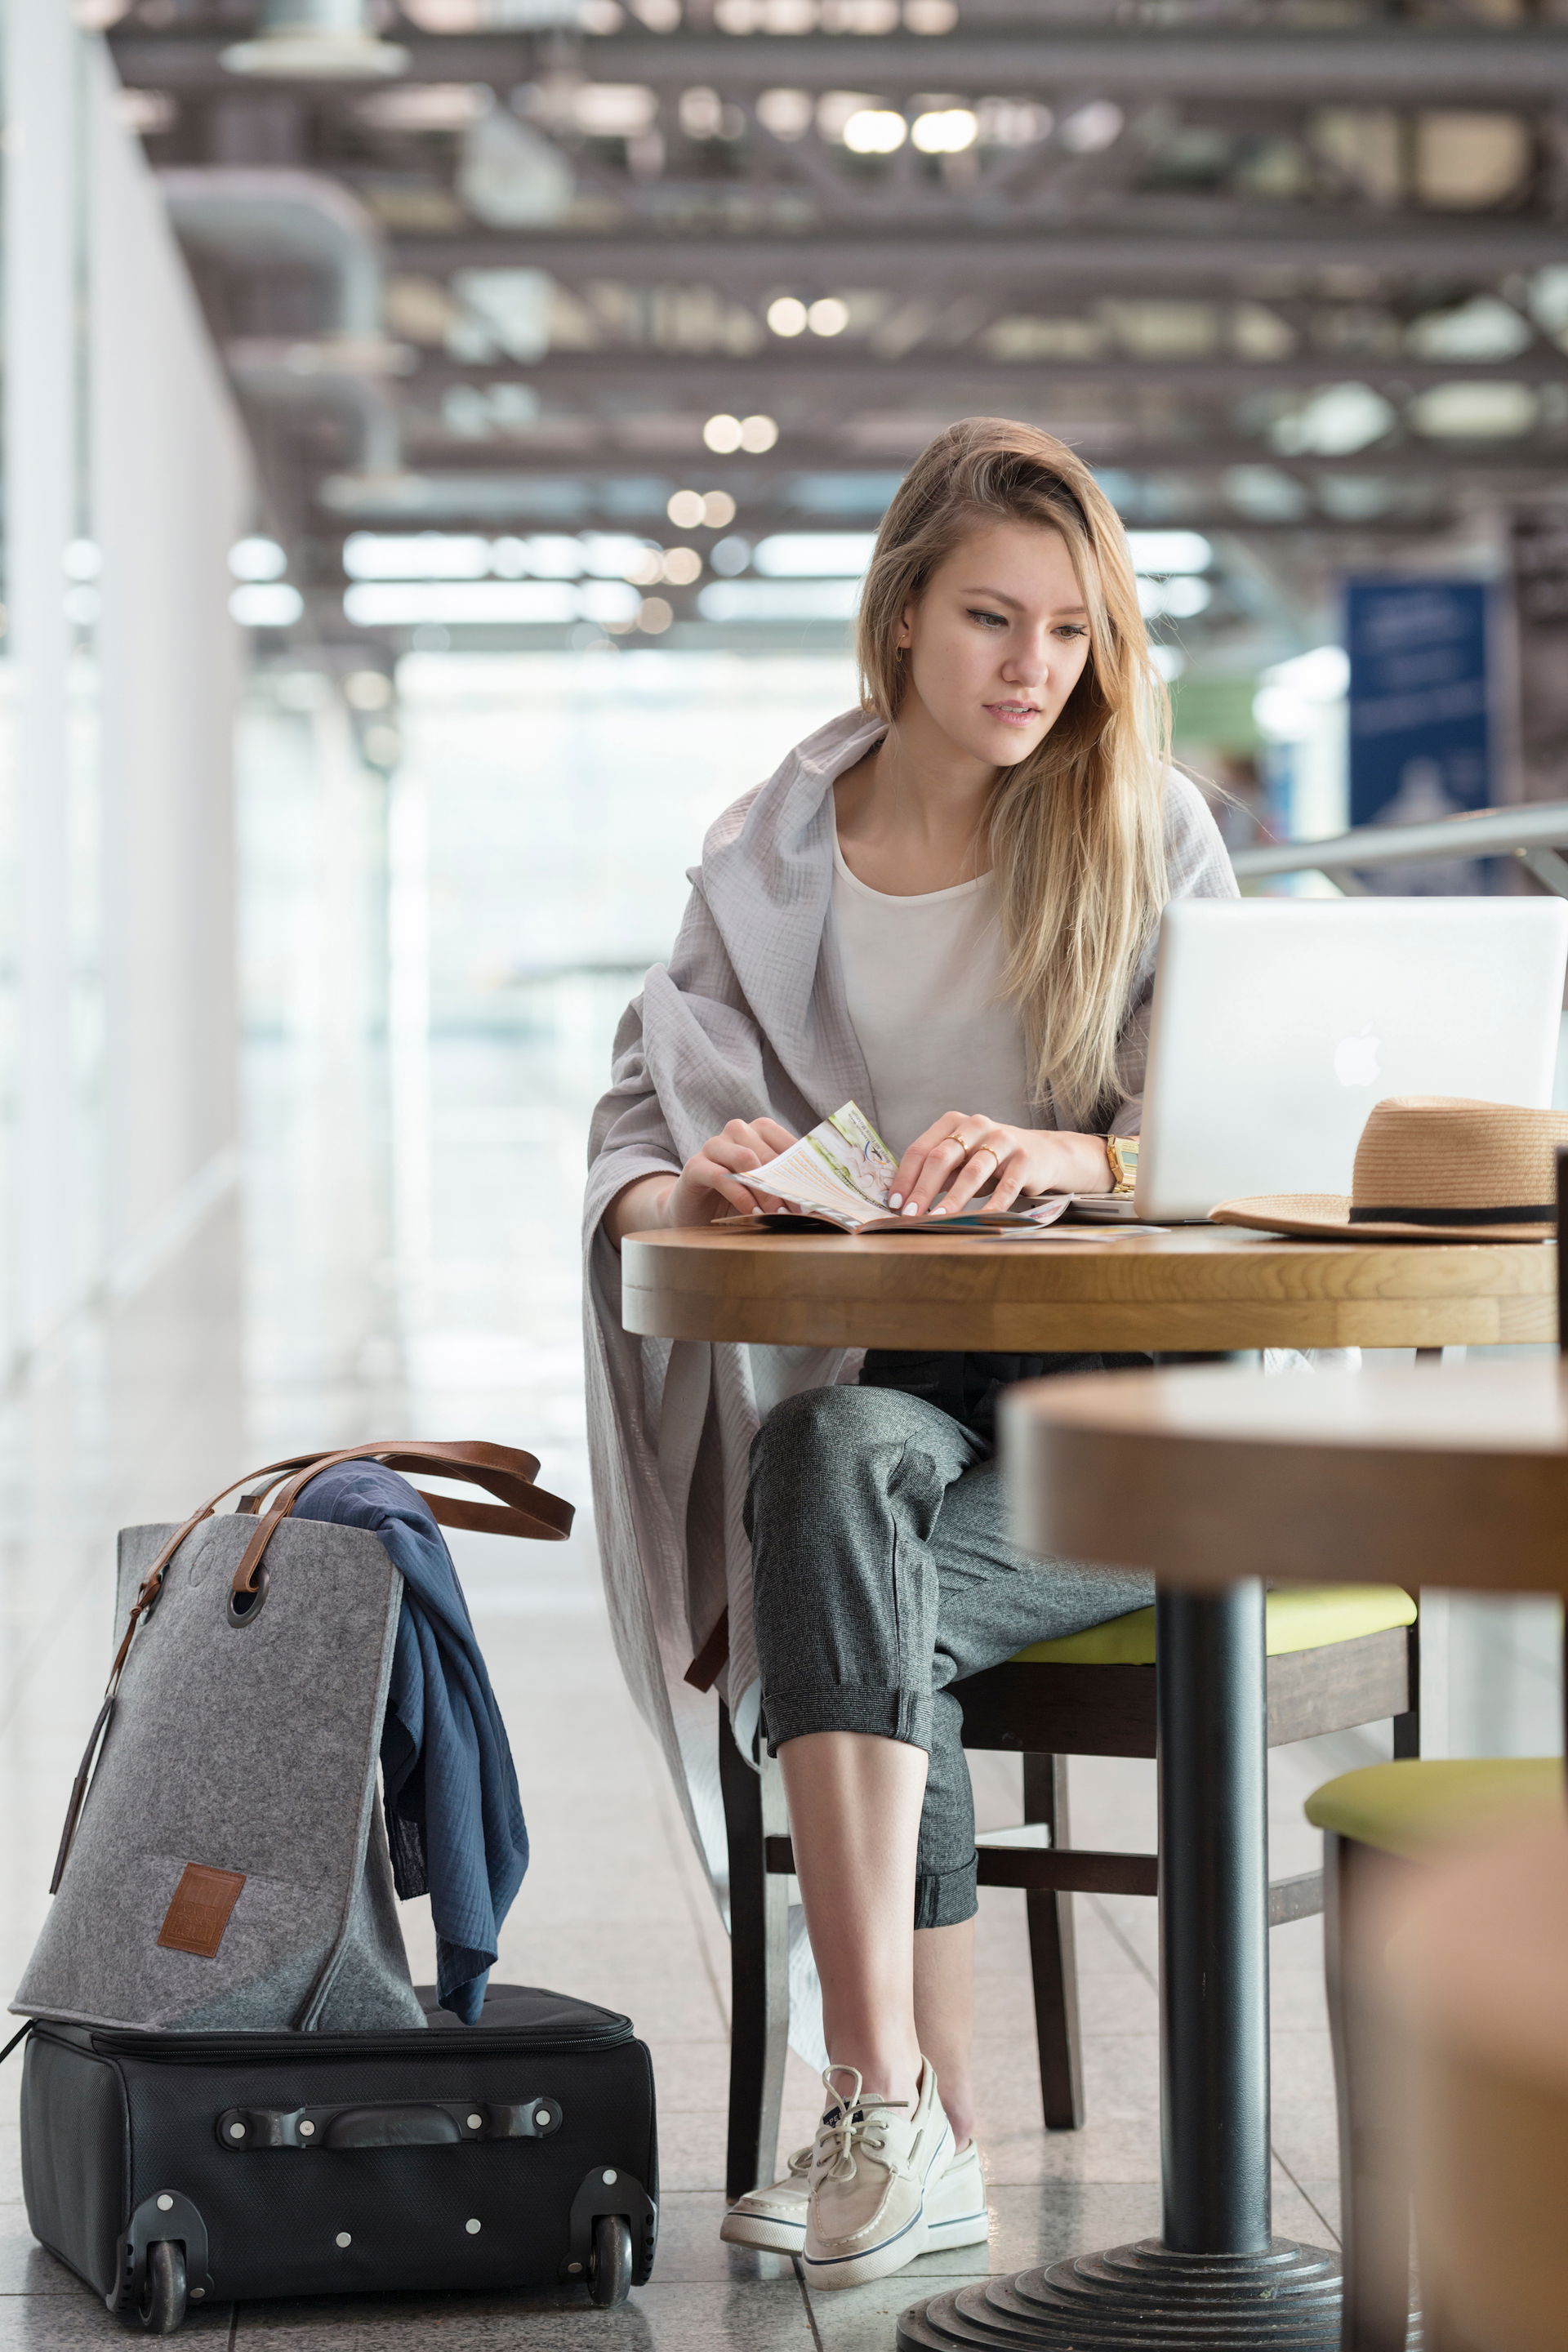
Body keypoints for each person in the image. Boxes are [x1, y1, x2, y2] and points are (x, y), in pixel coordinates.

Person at [585, 416, 1236, 2292]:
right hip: (898, 1394)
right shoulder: (773, 856)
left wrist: (1085, 1154)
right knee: (830, 1468)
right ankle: (901, 2102)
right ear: (898, 628)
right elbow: (635, 1134)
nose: (1037, 670)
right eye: (991, 622)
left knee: (841, 1556)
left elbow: (1255, 1142)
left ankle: (897, 2115)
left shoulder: (1146, 829)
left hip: (1136, 1424)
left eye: (1072, 629)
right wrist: (696, 1183)